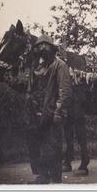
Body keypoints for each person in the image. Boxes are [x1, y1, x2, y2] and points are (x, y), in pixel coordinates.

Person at [27, 34, 72, 184]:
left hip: (52, 112)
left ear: (51, 49)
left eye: (44, 47)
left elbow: (64, 92)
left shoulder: (60, 65)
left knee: (53, 146)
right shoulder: (38, 67)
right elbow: (31, 87)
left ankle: (55, 178)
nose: (41, 50)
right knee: (40, 145)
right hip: (38, 112)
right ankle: (43, 176)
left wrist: (59, 112)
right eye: (39, 48)